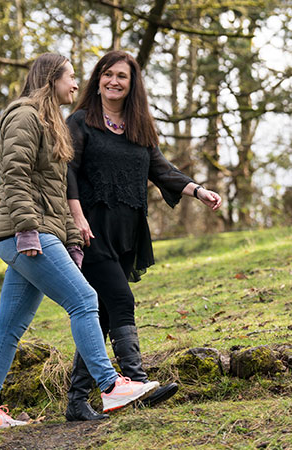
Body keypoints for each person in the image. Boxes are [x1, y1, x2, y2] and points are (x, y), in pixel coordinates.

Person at [0, 53, 159, 432]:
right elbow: (14, 176)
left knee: (9, 327)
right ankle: (111, 386)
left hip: (38, 232)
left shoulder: (48, 122)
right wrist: (26, 230)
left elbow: (56, 194)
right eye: (71, 77)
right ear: (51, 79)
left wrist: (71, 239)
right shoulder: (24, 115)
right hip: (26, 233)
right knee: (86, 300)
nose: (76, 84)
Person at [64, 51, 222, 422]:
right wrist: (76, 217)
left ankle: (76, 399)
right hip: (91, 230)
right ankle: (135, 381)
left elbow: (161, 169)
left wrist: (198, 191)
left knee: (102, 314)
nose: (114, 81)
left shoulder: (139, 129)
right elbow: (66, 171)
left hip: (127, 231)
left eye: (122, 76)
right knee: (121, 299)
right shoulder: (81, 122)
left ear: (133, 84)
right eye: (107, 74)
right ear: (97, 79)